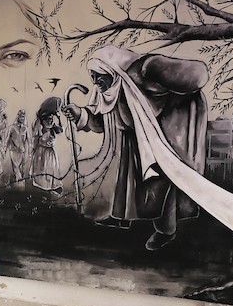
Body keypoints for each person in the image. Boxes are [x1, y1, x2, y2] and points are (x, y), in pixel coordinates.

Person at [62, 46, 211, 250]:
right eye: (92, 77)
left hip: (163, 135)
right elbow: (101, 121)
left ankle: (166, 231)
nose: (95, 83)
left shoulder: (143, 73)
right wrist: (80, 113)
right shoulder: (111, 89)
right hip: (134, 139)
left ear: (111, 71)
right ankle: (121, 217)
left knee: (163, 181)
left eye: (99, 76)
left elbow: (196, 78)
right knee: (128, 179)